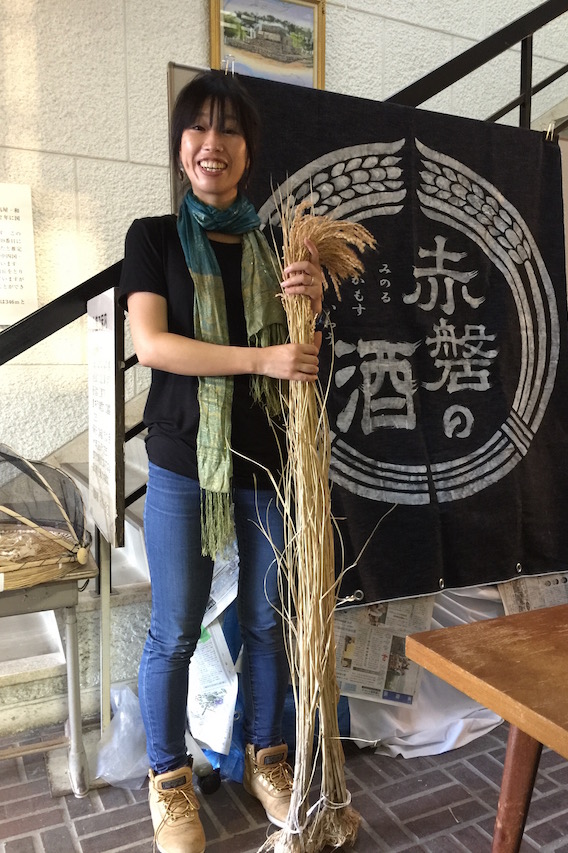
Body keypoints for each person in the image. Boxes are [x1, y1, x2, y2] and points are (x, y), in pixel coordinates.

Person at [118, 70, 325, 853]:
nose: (214, 143)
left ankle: (267, 758)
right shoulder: (153, 238)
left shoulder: (278, 250)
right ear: (180, 146)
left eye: (230, 129)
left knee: (267, 622)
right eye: (199, 127)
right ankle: (169, 779)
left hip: (267, 461)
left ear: (249, 150)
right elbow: (153, 345)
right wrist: (260, 358)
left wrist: (310, 303)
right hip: (184, 461)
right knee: (174, 628)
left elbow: (304, 363)